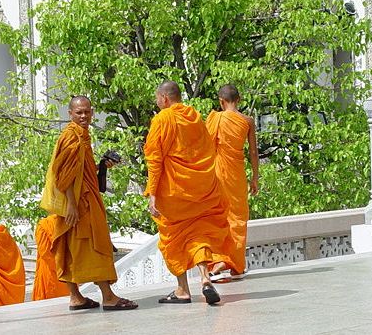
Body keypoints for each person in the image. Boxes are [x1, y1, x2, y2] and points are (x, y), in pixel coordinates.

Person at [40, 96, 138, 311]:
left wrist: (101, 166)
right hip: (78, 205)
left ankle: (76, 297)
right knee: (96, 246)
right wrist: (72, 206)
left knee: (71, 248)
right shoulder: (71, 137)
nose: (83, 116)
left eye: (86, 112)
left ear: (92, 112)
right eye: (79, 113)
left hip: (82, 199)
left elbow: (80, 171)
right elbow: (62, 176)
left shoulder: (82, 136)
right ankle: (108, 297)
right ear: (70, 114)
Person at [144, 81, 238, 305]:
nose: (157, 103)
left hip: (173, 192)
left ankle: (182, 289)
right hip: (201, 188)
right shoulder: (194, 115)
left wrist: (153, 193)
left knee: (173, 238)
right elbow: (206, 148)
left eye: (157, 98)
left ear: (165, 99)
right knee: (199, 235)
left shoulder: (162, 119)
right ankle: (205, 279)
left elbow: (155, 159)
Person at [206, 84, 259, 281]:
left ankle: (220, 261)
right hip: (236, 174)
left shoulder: (216, 119)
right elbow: (253, 152)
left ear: (221, 101)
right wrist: (255, 177)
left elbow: (204, 147)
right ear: (239, 99)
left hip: (217, 174)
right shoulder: (248, 121)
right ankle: (234, 264)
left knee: (219, 216)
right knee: (238, 218)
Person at [32, 214, 71, 301]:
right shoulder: (69, 222)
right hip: (67, 272)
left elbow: (45, 253)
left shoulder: (43, 225)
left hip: (50, 275)